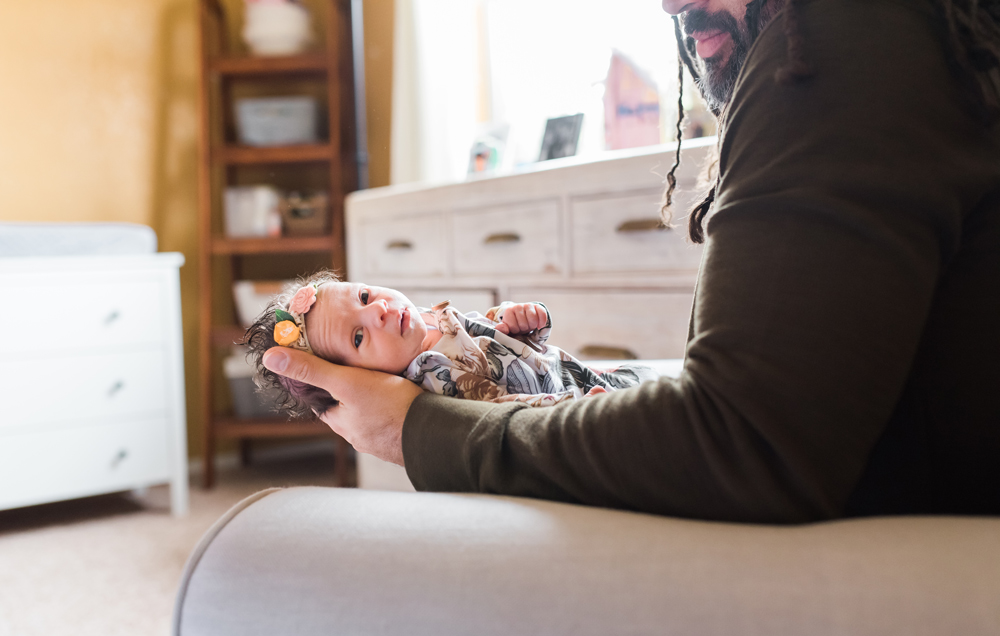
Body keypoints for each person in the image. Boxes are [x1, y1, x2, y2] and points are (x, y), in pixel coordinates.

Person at [262, 0, 1000, 522]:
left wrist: (413, 434)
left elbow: (743, 445)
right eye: (355, 333)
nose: (670, 6)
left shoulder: (840, 36)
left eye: (361, 298)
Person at [244, 271, 655, 416]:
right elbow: (502, 410)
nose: (379, 311)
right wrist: (574, 408)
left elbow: (502, 342)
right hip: (569, 409)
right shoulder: (430, 376)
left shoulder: (432, 317)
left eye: (365, 297)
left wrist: (522, 323)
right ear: (362, 379)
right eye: (358, 336)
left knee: (658, 381)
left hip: (581, 376)